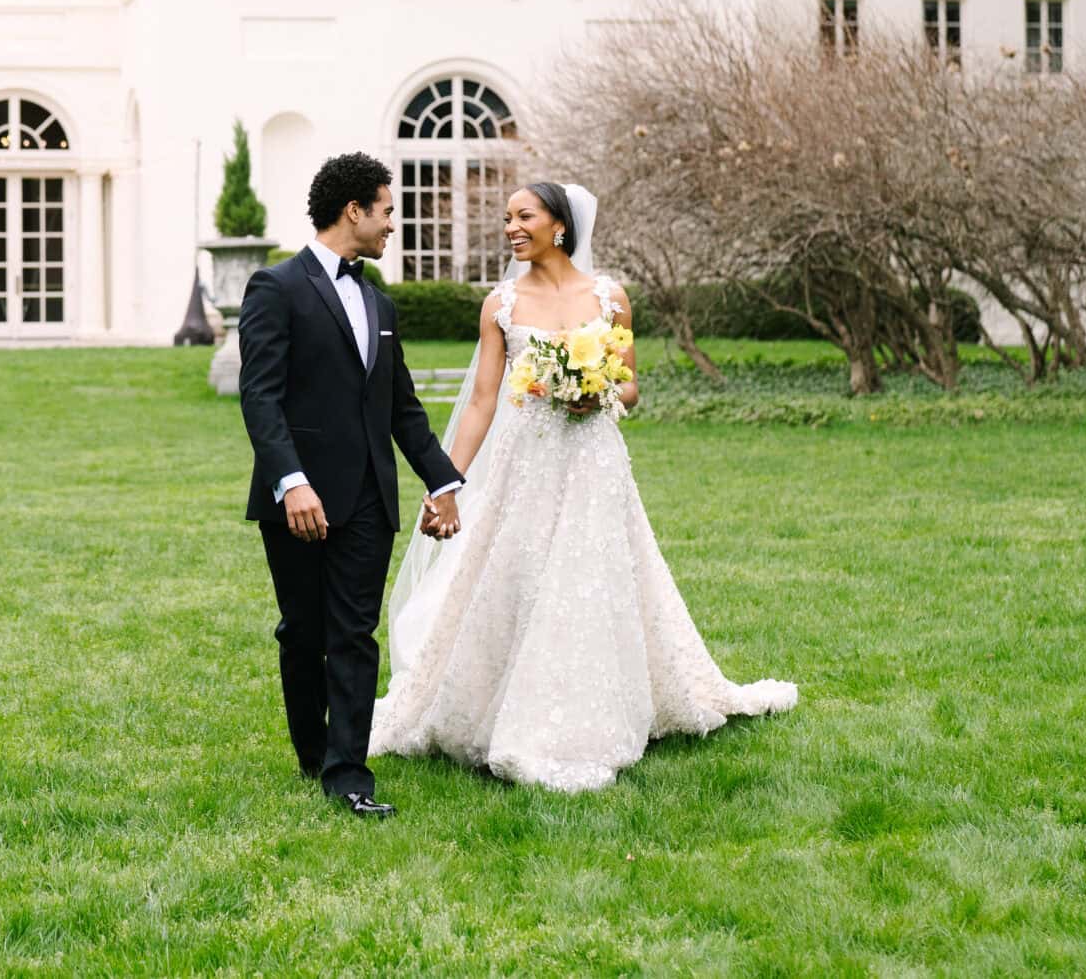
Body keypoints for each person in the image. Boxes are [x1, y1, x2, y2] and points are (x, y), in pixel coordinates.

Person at [371, 180, 797, 792]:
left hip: (593, 463)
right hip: (524, 467)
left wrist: (593, 388)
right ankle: (498, 705)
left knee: (590, 580)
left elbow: (629, 387)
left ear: (560, 226)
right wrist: (447, 484)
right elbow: (481, 404)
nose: (511, 228)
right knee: (517, 577)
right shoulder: (500, 305)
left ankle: (592, 713)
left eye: (524, 216)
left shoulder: (610, 298)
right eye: (507, 219)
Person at [235, 151, 465, 819]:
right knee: (304, 632)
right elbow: (260, 397)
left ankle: (349, 775)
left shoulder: (380, 301)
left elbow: (403, 410)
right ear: (354, 209)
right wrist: (291, 481)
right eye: (387, 210)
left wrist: (443, 481)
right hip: (298, 500)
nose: (393, 223)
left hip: (368, 498)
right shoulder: (274, 287)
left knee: (355, 633)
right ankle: (313, 754)